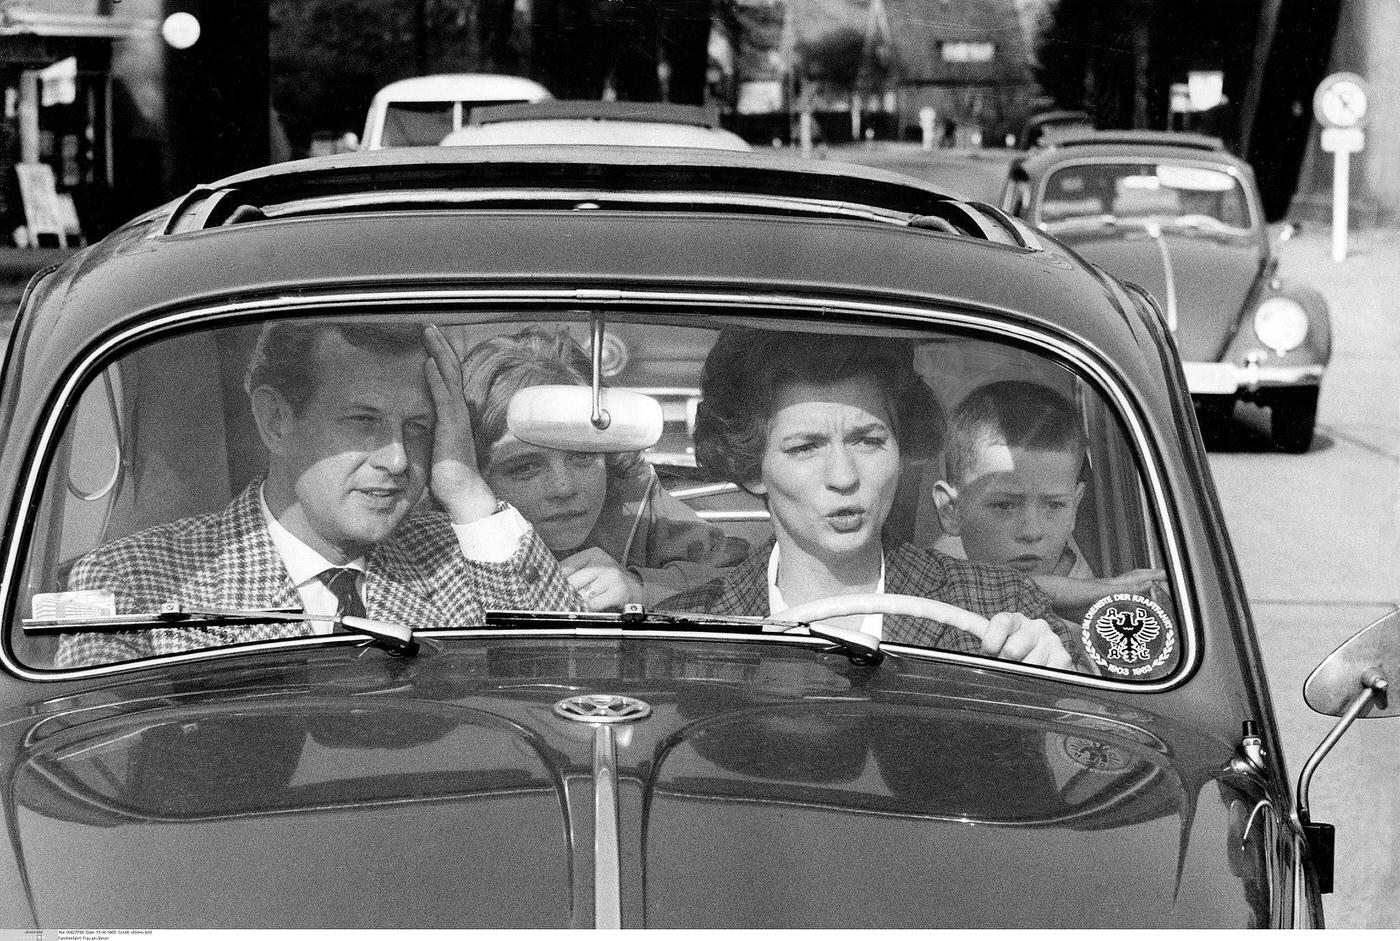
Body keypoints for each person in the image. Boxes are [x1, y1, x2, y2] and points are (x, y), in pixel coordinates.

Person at [55, 320, 582, 667]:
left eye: (419, 428)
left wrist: (465, 488)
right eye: (362, 422)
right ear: (277, 421)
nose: (398, 459)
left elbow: (568, 689)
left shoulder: (469, 557)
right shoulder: (135, 586)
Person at [658, 329, 1084, 671]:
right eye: (805, 447)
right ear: (753, 468)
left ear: (902, 447)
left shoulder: (1002, 609)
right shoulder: (683, 632)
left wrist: (1051, 675)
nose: (844, 477)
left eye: (868, 440)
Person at [458, 327, 750, 610]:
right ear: (474, 472)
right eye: (525, 467)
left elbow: (744, 584)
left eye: (583, 457)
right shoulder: (435, 538)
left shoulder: (632, 499)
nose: (564, 488)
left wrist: (641, 588)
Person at [930, 380, 1163, 620]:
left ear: (1074, 507)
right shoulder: (928, 581)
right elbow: (989, 589)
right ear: (950, 510)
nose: (1031, 532)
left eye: (1054, 505)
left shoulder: (1095, 601)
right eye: (1004, 506)